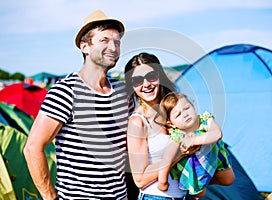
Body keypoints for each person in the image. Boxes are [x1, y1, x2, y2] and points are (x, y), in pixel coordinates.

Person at [24, 10, 134, 199]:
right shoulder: (66, 91)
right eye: (104, 41)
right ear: (85, 47)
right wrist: (50, 197)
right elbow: (33, 148)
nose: (113, 47)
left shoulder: (123, 92)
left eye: (117, 42)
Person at [124, 52, 191, 199]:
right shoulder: (138, 122)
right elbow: (140, 179)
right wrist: (179, 154)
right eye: (137, 80)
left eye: (151, 76)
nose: (146, 84)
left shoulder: (174, 109)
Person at [156, 92, 235, 198]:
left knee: (229, 180)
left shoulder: (205, 120)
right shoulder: (177, 136)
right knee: (200, 193)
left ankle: (208, 178)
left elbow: (217, 134)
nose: (185, 114)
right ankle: (198, 183)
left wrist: (193, 140)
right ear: (171, 123)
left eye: (187, 108)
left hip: (215, 159)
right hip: (194, 171)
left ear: (193, 106)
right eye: (178, 115)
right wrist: (162, 182)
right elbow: (166, 160)